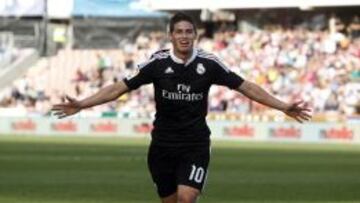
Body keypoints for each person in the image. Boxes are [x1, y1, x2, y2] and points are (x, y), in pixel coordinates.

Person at [52, 12, 311, 203]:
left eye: (189, 32)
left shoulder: (210, 64)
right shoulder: (156, 63)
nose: (184, 36)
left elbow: (246, 87)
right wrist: (83, 104)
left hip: (195, 144)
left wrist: (282, 106)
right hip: (162, 145)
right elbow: (119, 87)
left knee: (186, 199)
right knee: (171, 201)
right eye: (179, 32)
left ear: (195, 35)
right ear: (171, 35)